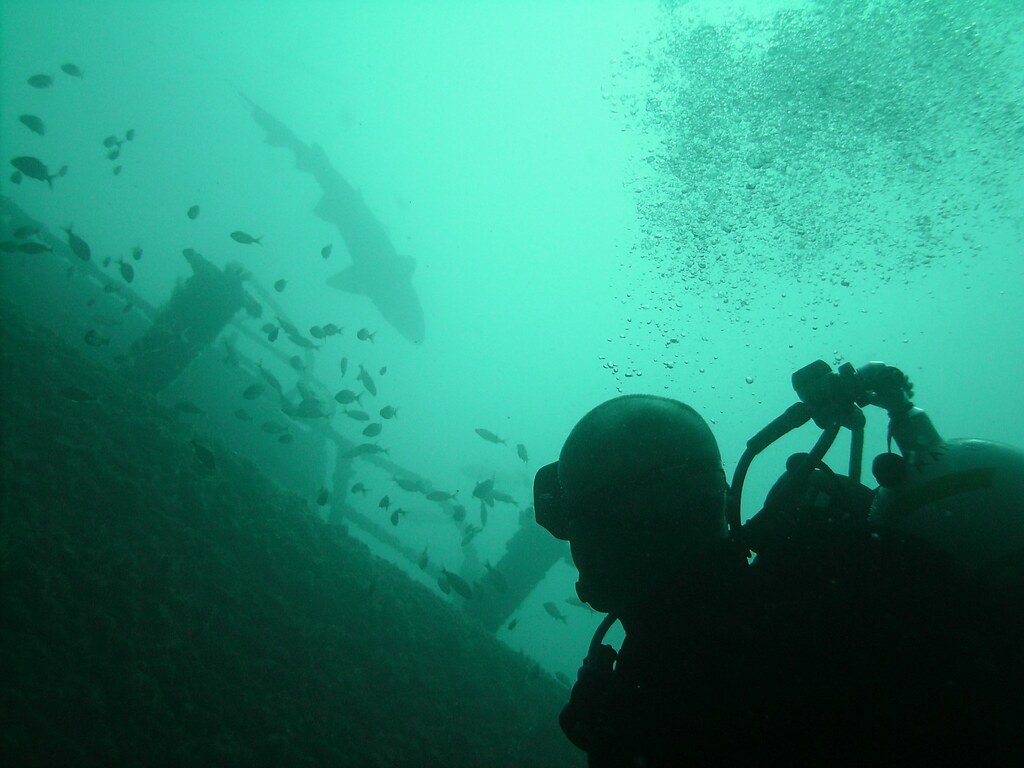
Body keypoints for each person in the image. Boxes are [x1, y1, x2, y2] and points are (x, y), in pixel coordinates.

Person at [535, 380, 1024, 766]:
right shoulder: (829, 579)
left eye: (577, 522)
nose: (574, 544)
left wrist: (611, 740)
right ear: (720, 500)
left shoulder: (665, 697)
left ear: (617, 537)